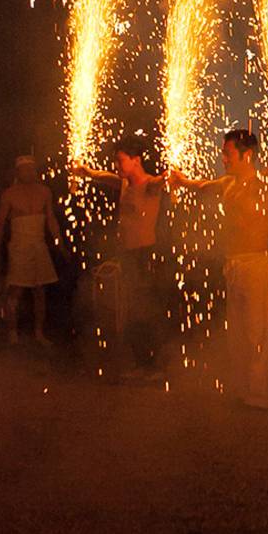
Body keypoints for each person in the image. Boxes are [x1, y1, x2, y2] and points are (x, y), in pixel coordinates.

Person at [169, 129, 268, 409]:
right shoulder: (227, 183)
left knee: (258, 333)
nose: (223, 158)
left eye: (227, 153)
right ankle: (246, 390)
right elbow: (202, 186)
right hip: (235, 265)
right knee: (240, 332)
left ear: (247, 155)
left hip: (257, 264)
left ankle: (260, 396)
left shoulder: (263, 181)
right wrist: (181, 181)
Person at [73, 135, 166, 379]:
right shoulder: (125, 183)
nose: (117, 165)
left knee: (143, 311)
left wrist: (172, 178)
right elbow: (108, 177)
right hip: (127, 255)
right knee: (129, 310)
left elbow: (162, 183)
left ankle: (153, 365)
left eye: (120, 160)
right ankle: (140, 363)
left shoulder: (150, 184)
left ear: (136, 160)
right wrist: (87, 172)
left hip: (144, 254)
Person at [0, 155, 62, 345]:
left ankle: (39, 333)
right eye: (24, 169)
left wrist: (59, 242)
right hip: (19, 246)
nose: (28, 172)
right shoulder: (9, 194)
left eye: (31, 169)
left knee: (40, 291)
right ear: (18, 172)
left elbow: (51, 219)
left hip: (39, 246)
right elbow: (0, 224)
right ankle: (12, 332)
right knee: (15, 290)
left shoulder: (44, 192)